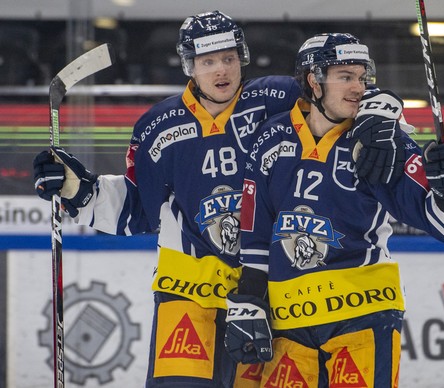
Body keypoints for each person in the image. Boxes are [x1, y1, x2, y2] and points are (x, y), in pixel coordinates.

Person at [32, 10, 302, 388]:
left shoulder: (280, 99)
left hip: (270, 289)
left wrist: (377, 117)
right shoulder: (158, 127)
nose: (221, 70)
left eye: (227, 58)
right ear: (189, 65)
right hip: (189, 293)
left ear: (241, 57)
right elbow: (138, 210)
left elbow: (342, 102)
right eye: (208, 61)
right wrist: (78, 189)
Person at [223, 33, 444, 387]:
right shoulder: (272, 137)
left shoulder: (379, 140)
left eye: (362, 77)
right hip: (289, 322)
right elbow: (257, 229)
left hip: (361, 314)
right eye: (345, 76)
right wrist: (249, 299)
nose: (358, 87)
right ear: (314, 81)